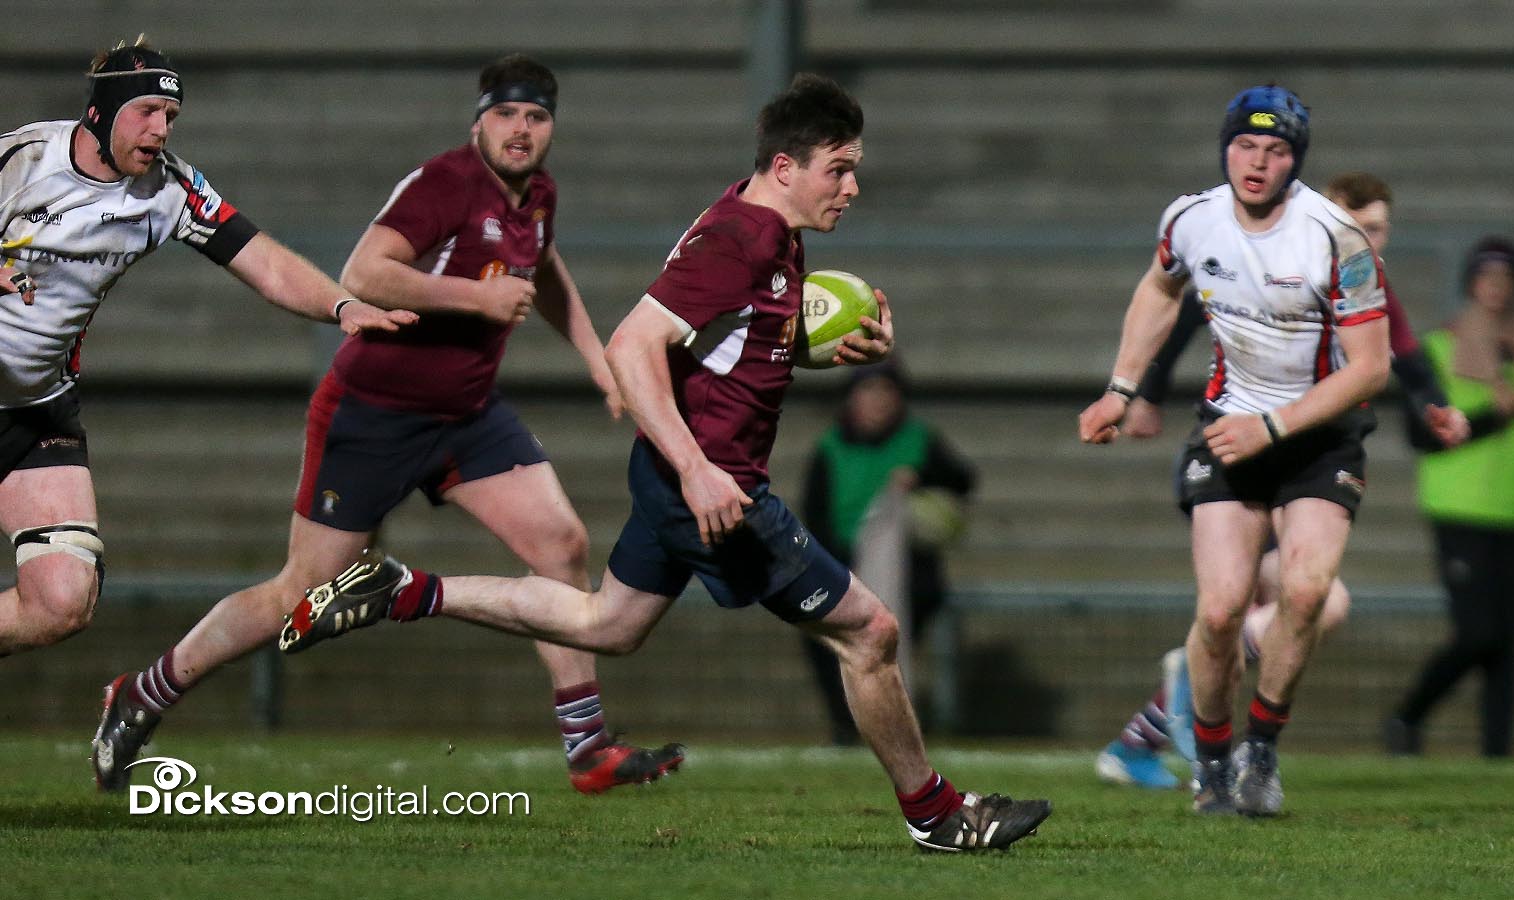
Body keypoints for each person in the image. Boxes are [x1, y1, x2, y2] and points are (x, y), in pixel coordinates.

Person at [279, 73, 1051, 852]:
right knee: (870, 632)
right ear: (787, 167)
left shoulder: (770, 229)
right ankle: (938, 816)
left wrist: (828, 350)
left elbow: (727, 342)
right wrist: (697, 470)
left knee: (606, 624)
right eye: (839, 170)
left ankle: (405, 589)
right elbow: (631, 345)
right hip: (712, 491)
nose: (852, 187)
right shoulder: (741, 238)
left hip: (681, 475)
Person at [91, 53, 684, 795]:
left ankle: (587, 745)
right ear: (479, 121)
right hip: (374, 415)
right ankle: (143, 692)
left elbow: (543, 264)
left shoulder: (537, 195)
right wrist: (475, 298)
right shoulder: (445, 183)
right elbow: (366, 272)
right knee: (301, 593)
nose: (521, 129)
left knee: (561, 544)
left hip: (467, 415)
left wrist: (596, 357)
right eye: (506, 114)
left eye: (535, 117)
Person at [0, 37, 411, 659]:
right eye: (146, 112)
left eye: (170, 116)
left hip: (36, 411)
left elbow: (264, 261)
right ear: (100, 113)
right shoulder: (24, 160)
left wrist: (343, 306)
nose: (161, 129)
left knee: (62, 599)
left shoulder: (169, 190)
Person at [1094, 171, 1470, 790]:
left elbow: (1403, 354)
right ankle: (1184, 716)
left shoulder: (1365, 281)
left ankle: (1145, 735)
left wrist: (1436, 406)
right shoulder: (1272, 265)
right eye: (1361, 226)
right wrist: (1143, 394)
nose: (1370, 240)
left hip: (1307, 461)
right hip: (1243, 454)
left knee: (1276, 610)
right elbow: (1182, 310)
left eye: (1380, 229)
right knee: (1287, 607)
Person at [1079, 85, 1394, 816]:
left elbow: (1372, 368)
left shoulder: (1336, 238)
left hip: (1317, 438)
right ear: (1225, 149)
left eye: (1275, 150)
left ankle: (1262, 754)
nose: (1257, 162)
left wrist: (1274, 427)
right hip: (1229, 430)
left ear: (1296, 161)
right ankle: (1213, 766)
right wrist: (1121, 389)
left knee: (1310, 593)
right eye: (1244, 145)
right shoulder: (1192, 219)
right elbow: (1160, 290)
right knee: (1220, 613)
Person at [1385, 237, 1514, 757]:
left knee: (1506, 641)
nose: (1496, 288)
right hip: (1459, 506)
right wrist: (1495, 414)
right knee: (1477, 633)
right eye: (1487, 277)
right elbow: (1421, 436)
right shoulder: (1438, 350)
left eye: (1506, 279)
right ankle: (1408, 716)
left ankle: (1497, 756)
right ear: (1470, 284)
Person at [799, 362, 976, 746]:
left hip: (907, 571)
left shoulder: (918, 440)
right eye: (867, 391)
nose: (877, 401)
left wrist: (921, 476)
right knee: (822, 635)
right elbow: (815, 517)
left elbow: (962, 479)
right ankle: (848, 724)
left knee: (892, 628)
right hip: (844, 566)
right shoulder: (830, 448)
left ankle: (889, 716)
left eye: (885, 391)